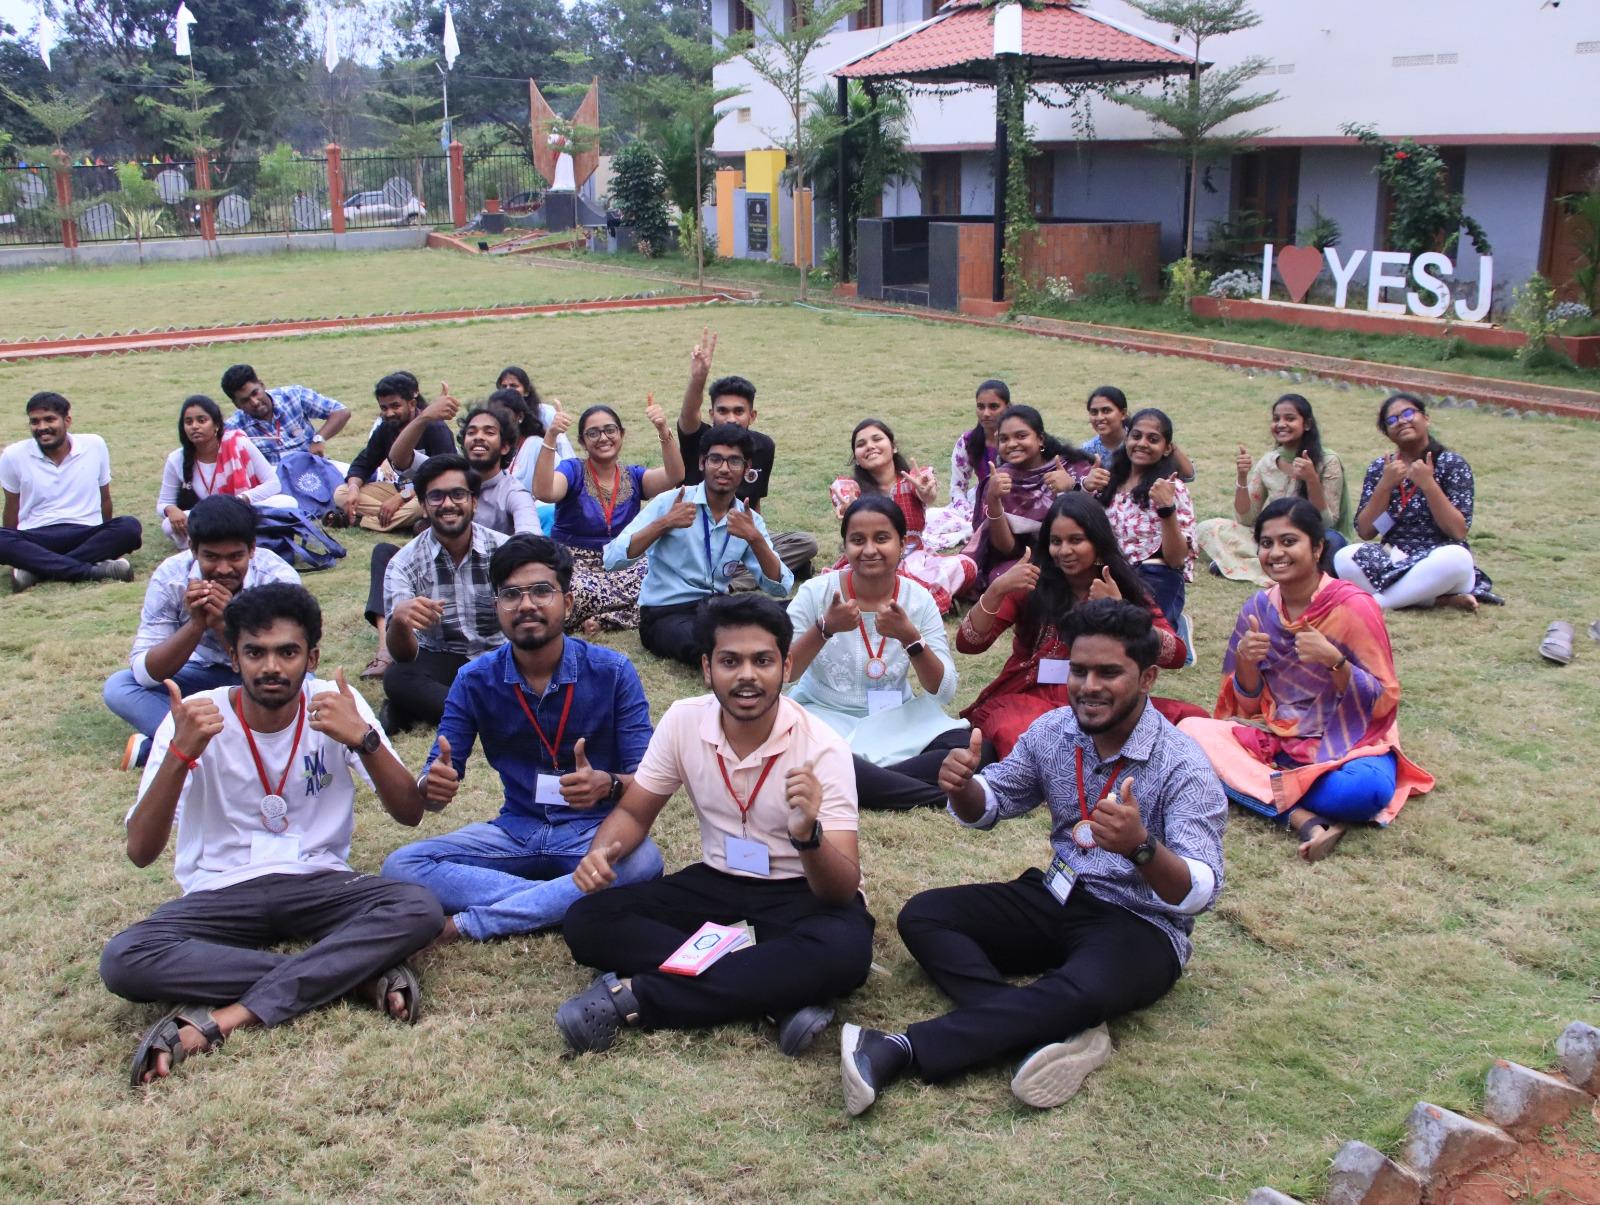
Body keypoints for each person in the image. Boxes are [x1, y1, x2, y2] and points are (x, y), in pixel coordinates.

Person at [839, 599, 1226, 1116]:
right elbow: (995, 800)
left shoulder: (1183, 765)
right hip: (1058, 893)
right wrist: (962, 789)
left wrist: (1142, 848)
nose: (1089, 686)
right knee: (925, 915)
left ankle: (897, 1049)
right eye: (1080, 670)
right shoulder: (1054, 730)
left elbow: (1200, 891)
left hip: (1141, 924)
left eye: (1109, 673)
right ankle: (1042, 1027)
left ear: (1148, 677)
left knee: (1084, 988)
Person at [100, 582, 442, 1088]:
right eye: (255, 653)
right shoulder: (198, 714)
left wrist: (364, 740)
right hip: (221, 891)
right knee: (125, 960)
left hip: (318, 882)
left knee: (420, 908)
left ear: (312, 656)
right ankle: (358, 975)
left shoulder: (337, 704)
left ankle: (227, 1017)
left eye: (288, 652)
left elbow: (410, 813)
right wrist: (179, 754)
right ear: (233, 658)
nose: (272, 667)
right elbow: (140, 851)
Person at [556, 594, 872, 1058]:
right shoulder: (685, 720)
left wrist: (807, 835)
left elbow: (841, 891)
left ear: (786, 668)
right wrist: (603, 852)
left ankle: (639, 998)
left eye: (762, 660)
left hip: (799, 893)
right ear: (707, 668)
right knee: (588, 920)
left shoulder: (823, 747)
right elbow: (633, 812)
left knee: (845, 953)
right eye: (730, 661)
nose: (747, 675)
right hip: (717, 883)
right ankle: (778, 992)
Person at [381, 535, 663, 944]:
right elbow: (435, 782)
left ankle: (468, 924)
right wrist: (432, 786)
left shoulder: (613, 672)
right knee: (402, 865)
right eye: (511, 594)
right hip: (516, 831)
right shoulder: (474, 679)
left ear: (567, 603)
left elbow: (648, 783)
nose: (526, 604)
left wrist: (609, 783)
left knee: (643, 862)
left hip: (593, 832)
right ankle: (563, 900)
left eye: (541, 591)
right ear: (497, 608)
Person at [1180, 499, 1435, 861]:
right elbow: (1246, 710)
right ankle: (1301, 817)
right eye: (1267, 544)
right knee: (1190, 733)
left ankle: (1257, 786)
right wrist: (1247, 665)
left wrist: (1336, 662)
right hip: (1277, 739)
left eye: (1288, 541)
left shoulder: (1353, 607)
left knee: (1363, 792)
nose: (1275, 553)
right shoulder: (1258, 609)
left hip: (1348, 743)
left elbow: (1384, 701)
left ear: (1317, 548)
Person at [955, 492, 1195, 764]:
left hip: (1102, 698)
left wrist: (1121, 612)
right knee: (1022, 732)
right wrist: (996, 591)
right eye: (1056, 541)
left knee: (1191, 721)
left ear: (1098, 543)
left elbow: (1175, 654)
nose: (1064, 551)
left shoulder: (1121, 587)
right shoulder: (1032, 584)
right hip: (1031, 696)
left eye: (1076, 540)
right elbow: (969, 643)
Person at [786, 497, 966, 812]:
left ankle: (863, 781)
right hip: (823, 717)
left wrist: (911, 640)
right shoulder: (815, 594)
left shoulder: (918, 599)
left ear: (903, 544)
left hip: (895, 722)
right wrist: (825, 629)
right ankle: (927, 794)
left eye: (881, 538)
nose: (869, 550)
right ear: (845, 546)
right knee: (791, 748)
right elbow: (780, 674)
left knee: (970, 747)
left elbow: (945, 692)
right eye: (857, 540)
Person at [104, 495, 301, 771]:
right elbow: (146, 673)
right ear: (193, 549)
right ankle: (233, 748)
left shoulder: (277, 579)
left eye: (235, 556)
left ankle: (171, 748)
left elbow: (283, 662)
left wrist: (224, 624)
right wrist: (196, 625)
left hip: (262, 677)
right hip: (203, 672)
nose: (223, 569)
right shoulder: (171, 576)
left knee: (303, 690)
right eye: (211, 557)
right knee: (120, 687)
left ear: (252, 549)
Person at [603, 424, 793, 669]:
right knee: (703, 641)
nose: (724, 468)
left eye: (734, 461)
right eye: (716, 459)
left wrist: (755, 539)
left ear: (746, 469)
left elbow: (781, 586)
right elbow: (612, 559)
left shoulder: (748, 520)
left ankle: (741, 644)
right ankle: (745, 647)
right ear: (702, 462)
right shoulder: (671, 502)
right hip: (667, 613)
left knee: (794, 611)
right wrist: (664, 523)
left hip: (718, 609)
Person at [675, 328, 818, 584]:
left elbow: (755, 503)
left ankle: (734, 577)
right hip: (694, 536)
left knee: (805, 544)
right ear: (711, 414)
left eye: (739, 411)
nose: (730, 418)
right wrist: (699, 379)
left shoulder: (763, 446)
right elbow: (687, 415)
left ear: (752, 416)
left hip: (738, 533)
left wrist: (757, 538)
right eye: (723, 410)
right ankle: (737, 578)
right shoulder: (699, 438)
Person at [378, 455, 509, 732]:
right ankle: (488, 713)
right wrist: (400, 621)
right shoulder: (403, 564)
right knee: (398, 677)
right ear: (424, 506)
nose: (448, 504)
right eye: (436, 496)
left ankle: (420, 709)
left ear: (473, 502)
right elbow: (403, 655)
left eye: (458, 494)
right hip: (443, 656)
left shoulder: (505, 550)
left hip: (502, 653)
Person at [1333, 393, 1499, 611]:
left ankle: (1375, 604)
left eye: (1408, 413)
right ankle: (1437, 599)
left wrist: (1428, 484)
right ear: (1387, 433)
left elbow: (1458, 531)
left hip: (1439, 559)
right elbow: (1365, 531)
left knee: (1457, 558)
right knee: (1345, 556)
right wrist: (1385, 484)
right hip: (1394, 558)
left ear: (1426, 419)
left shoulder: (1452, 464)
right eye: (1392, 420)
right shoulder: (1381, 468)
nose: (1401, 421)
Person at [534, 398, 684, 633]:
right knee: (567, 590)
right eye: (593, 433)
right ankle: (612, 614)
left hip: (623, 563)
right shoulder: (573, 470)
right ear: (583, 442)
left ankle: (601, 619)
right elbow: (544, 491)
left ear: (621, 434)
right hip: (577, 566)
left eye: (610, 430)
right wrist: (551, 435)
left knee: (666, 579)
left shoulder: (633, 476)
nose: (603, 438)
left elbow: (674, 475)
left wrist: (663, 429)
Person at [1196, 394, 1350, 583]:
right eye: (1276, 419)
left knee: (1332, 542)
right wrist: (1242, 477)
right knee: (1208, 528)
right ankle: (1269, 567)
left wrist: (1311, 479)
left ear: (1307, 424)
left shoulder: (1328, 461)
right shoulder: (1268, 462)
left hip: (1309, 539)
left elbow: (1327, 523)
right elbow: (1246, 518)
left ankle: (1240, 565)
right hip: (1273, 537)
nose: (1281, 424)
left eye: (1290, 418)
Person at [828, 418, 976, 612]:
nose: (870, 446)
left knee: (965, 565)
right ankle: (923, 602)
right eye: (861, 444)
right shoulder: (850, 487)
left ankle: (901, 602)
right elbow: (845, 501)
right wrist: (850, 509)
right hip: (873, 560)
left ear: (894, 447)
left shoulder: (914, 479)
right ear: (856, 457)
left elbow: (927, 494)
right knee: (843, 583)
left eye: (877, 439)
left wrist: (926, 491)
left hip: (915, 559)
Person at [0, 390, 141, 590]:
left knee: (129, 527)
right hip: (37, 537)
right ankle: (91, 571)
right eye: (35, 422)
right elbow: (11, 509)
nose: (42, 428)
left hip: (85, 532)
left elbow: (105, 499)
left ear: (67, 420)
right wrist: (12, 549)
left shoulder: (94, 445)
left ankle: (36, 571)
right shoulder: (13, 455)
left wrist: (107, 538)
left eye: (49, 419)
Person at [965, 404, 1092, 590]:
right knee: (1003, 578)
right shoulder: (999, 480)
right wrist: (993, 500)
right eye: (1004, 439)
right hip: (1029, 557)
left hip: (1076, 553)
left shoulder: (1072, 468)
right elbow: (1007, 549)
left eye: (1021, 436)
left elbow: (1099, 523)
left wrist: (1072, 488)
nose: (1012, 444)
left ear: (1040, 439)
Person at [1094, 407, 1196, 631]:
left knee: (1134, 635)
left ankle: (1172, 631)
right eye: (1136, 436)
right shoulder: (1107, 482)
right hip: (1110, 572)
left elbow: (1177, 560)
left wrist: (1166, 509)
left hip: (1155, 575)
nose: (1142, 444)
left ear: (1167, 448)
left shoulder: (1171, 488)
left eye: (1153, 439)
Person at [155, 395, 292, 550]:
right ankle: (235, 538)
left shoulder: (239, 443)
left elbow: (273, 484)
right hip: (211, 516)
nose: (194, 426)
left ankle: (212, 542)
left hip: (244, 510)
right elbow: (164, 503)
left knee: (287, 503)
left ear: (217, 425)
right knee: (168, 525)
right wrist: (170, 510)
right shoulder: (176, 459)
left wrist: (240, 500)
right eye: (188, 422)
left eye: (201, 420)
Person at [332, 373, 457, 532]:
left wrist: (401, 497)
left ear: (411, 404)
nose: (389, 413)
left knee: (423, 506)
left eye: (395, 406)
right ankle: (404, 522)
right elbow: (363, 463)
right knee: (341, 493)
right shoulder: (386, 428)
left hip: (428, 492)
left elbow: (444, 477)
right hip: (398, 489)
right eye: (384, 408)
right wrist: (353, 489)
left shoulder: (434, 428)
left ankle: (363, 520)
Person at [921, 378, 1008, 554]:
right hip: (978, 503)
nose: (986, 413)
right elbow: (957, 488)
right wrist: (971, 515)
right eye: (980, 406)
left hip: (1014, 500)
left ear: (1008, 406)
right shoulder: (968, 441)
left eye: (993, 407)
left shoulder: (1018, 440)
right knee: (931, 519)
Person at [220, 363, 350, 469]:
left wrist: (319, 439)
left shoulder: (293, 395)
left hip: (315, 468)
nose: (254, 402)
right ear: (237, 404)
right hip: (276, 486)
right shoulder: (233, 430)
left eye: (255, 393)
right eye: (245, 400)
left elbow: (341, 411)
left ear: (262, 385)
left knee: (354, 481)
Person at [1080, 385, 1196, 481]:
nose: (1100, 417)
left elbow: (1188, 475)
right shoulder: (1087, 450)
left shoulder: (1145, 443)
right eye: (1094, 412)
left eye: (1106, 411)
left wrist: (1163, 442)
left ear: (1123, 413)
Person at [456, 404, 540, 535]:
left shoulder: (514, 493)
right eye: (471, 432)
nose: (478, 437)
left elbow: (531, 537)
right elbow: (412, 460)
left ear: (505, 447)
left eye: (489, 432)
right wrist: (424, 419)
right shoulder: (450, 480)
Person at [498, 369, 574, 492]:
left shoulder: (545, 414)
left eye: (513, 386)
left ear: (526, 391)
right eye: (504, 386)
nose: (508, 390)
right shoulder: (496, 417)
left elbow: (564, 449)